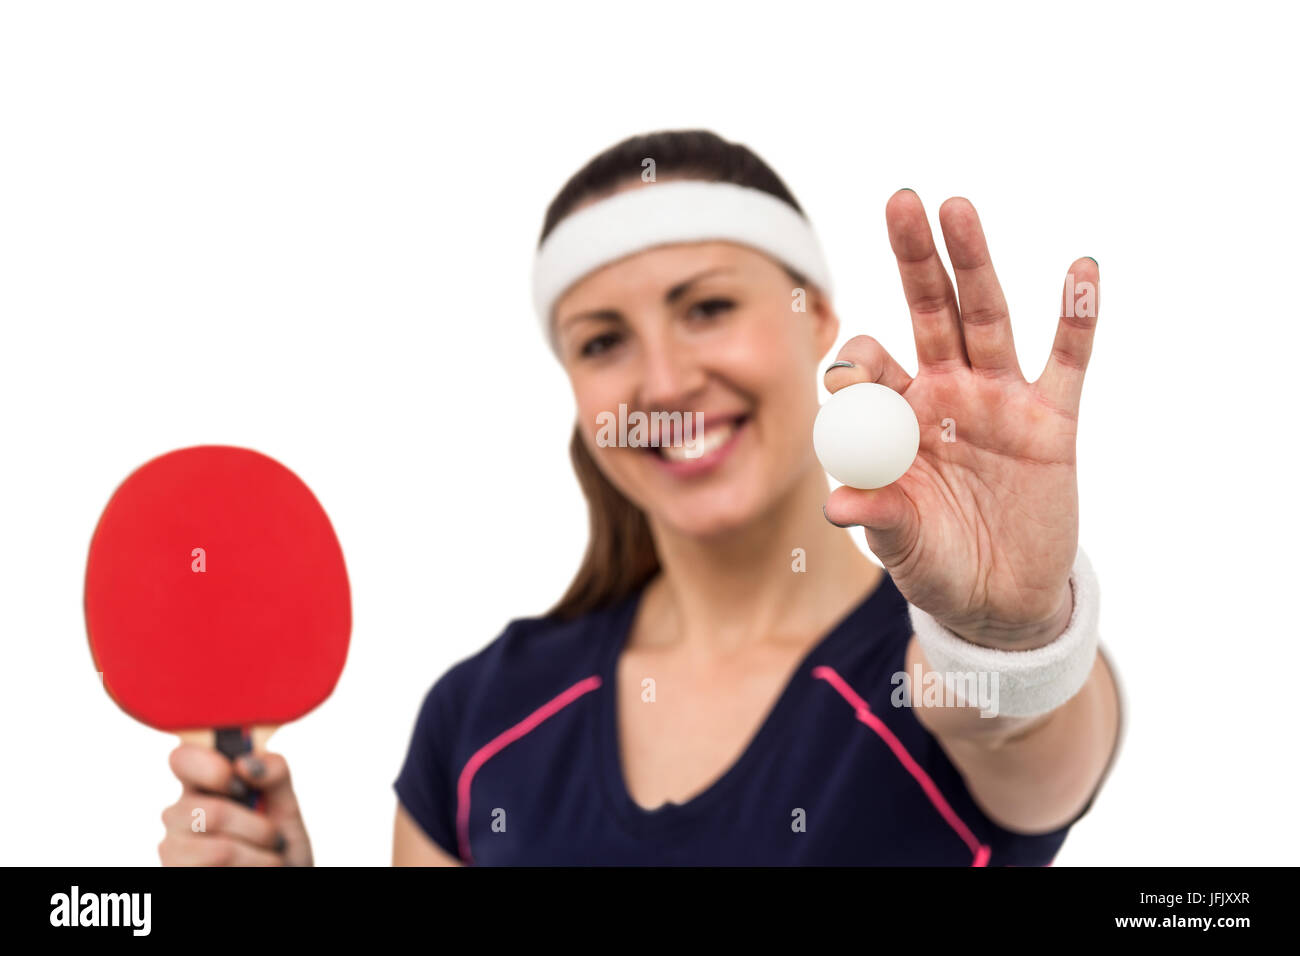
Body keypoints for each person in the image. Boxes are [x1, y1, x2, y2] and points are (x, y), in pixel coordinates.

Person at [158, 129, 1122, 867]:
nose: (661, 384)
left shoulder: (942, 676)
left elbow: (1017, 716)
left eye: (707, 307)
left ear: (815, 319)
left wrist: (1009, 633)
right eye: (602, 341)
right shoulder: (481, 717)